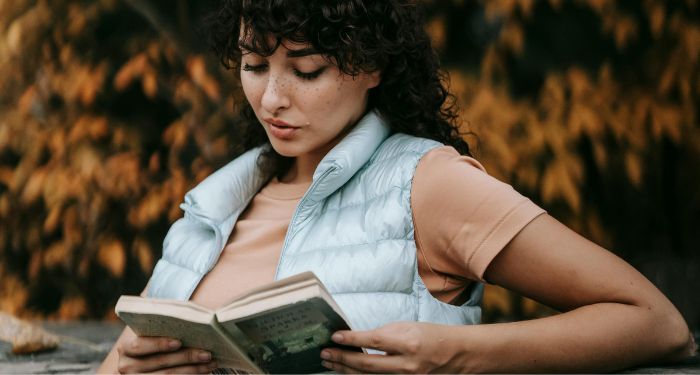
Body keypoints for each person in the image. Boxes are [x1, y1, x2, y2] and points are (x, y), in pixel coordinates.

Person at [98, 0, 695, 373]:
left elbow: (654, 323)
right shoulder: (210, 208)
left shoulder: (426, 184)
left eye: (306, 69)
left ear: (372, 65)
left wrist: (458, 357)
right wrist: (125, 368)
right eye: (255, 66)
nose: (271, 98)